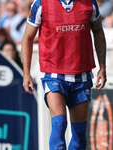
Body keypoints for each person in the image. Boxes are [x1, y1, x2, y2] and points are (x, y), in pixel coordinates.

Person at [21, 0, 107, 149]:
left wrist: (102, 67)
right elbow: (28, 37)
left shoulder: (89, 3)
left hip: (82, 75)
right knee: (59, 123)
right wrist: (26, 72)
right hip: (54, 74)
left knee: (79, 135)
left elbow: (98, 32)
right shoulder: (41, 4)